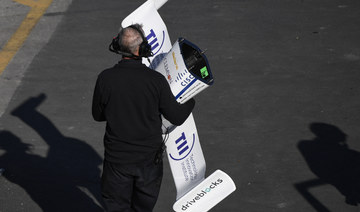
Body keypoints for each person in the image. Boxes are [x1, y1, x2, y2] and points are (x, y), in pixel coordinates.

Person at [92, 24, 195, 212]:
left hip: (117, 161)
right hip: (148, 163)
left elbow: (97, 116)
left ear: (117, 46)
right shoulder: (156, 81)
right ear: (142, 49)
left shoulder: (105, 78)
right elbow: (177, 117)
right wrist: (190, 100)